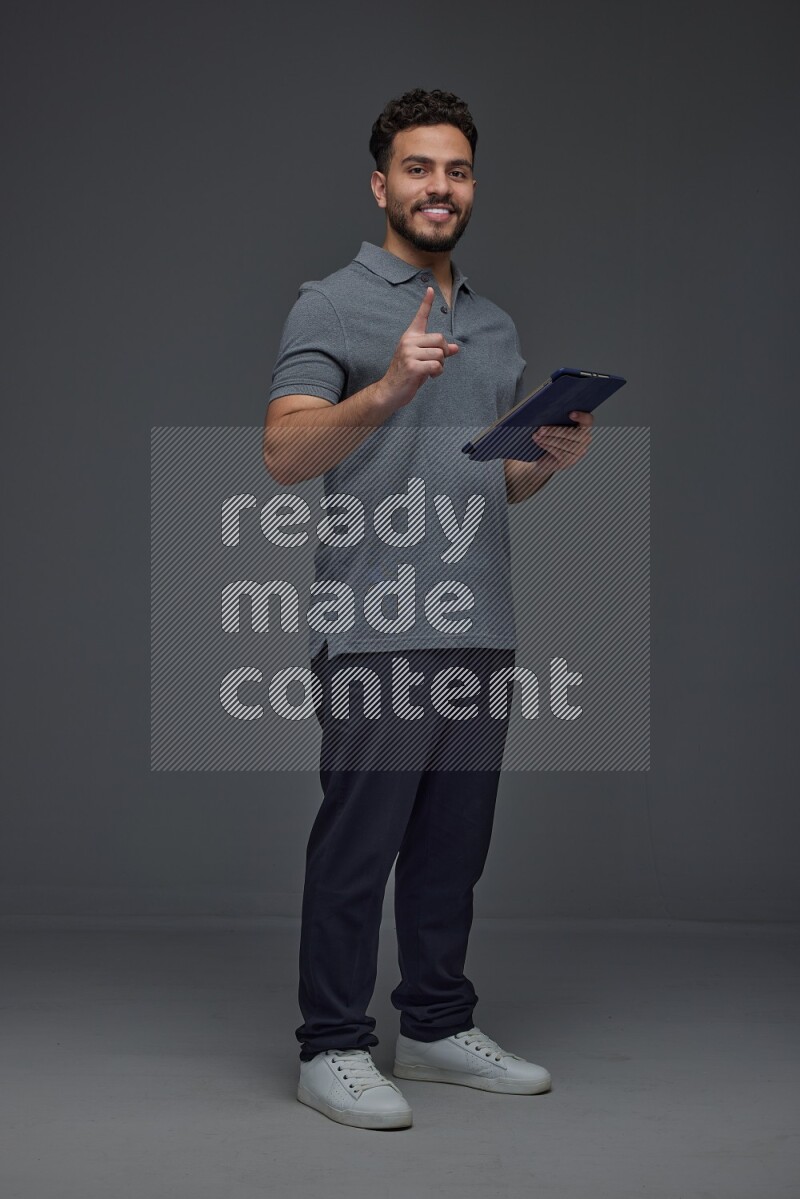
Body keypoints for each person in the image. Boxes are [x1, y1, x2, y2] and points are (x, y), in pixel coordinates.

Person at [263, 88, 593, 1130]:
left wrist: (544, 458)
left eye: (454, 170)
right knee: (358, 846)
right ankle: (330, 1043)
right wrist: (381, 395)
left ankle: (437, 1026)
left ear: (469, 186)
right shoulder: (329, 305)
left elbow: (488, 485)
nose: (437, 187)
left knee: (454, 845)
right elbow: (284, 455)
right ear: (381, 184)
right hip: (373, 622)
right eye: (417, 168)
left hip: (476, 622)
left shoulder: (491, 324)